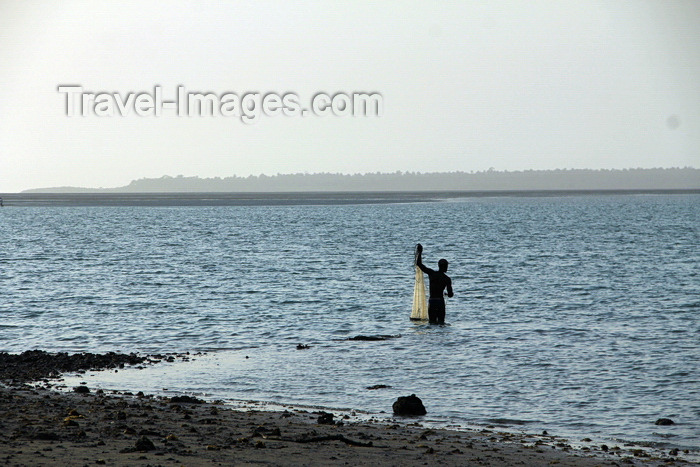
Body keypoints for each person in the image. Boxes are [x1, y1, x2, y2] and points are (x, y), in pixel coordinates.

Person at [415, 243, 453, 324]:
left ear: (439, 266)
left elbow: (419, 264)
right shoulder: (447, 279)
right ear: (446, 267)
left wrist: (420, 252)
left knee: (432, 322)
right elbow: (450, 294)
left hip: (432, 301)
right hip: (440, 302)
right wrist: (446, 294)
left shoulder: (432, 274)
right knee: (441, 322)